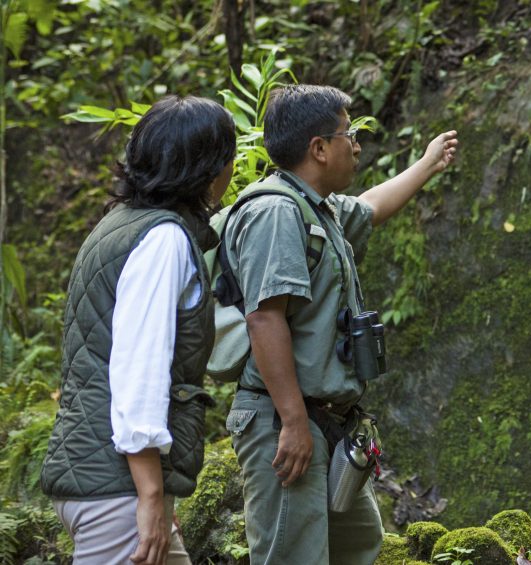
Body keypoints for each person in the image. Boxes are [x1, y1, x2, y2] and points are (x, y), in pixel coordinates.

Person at [222, 84, 457, 564]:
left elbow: (371, 208)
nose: (357, 145)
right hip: (285, 421)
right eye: (348, 134)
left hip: (326, 421)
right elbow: (264, 319)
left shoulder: (318, 209)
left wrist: (429, 164)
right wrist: (291, 422)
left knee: (358, 550)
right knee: (294, 556)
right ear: (319, 148)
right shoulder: (276, 212)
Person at [40, 95, 237, 565]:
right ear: (208, 168)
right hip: (118, 489)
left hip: (106, 479)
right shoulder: (162, 238)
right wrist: (149, 493)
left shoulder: (118, 225)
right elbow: (138, 369)